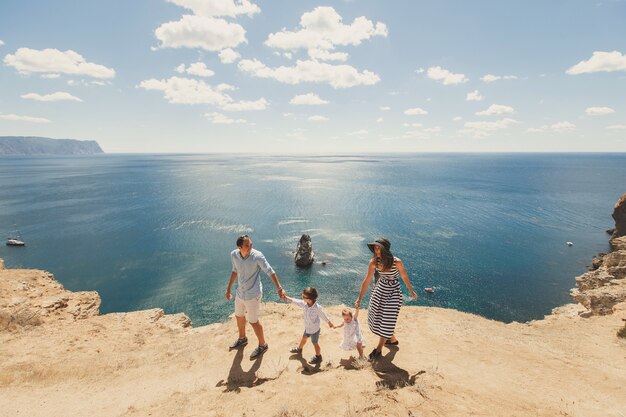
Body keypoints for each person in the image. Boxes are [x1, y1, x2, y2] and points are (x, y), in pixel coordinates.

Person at [355, 238, 417, 360]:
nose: (376, 250)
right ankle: (392, 340)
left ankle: (378, 349)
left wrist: (411, 291)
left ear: (385, 249)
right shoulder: (373, 262)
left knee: (387, 317)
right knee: (378, 317)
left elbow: (404, 276)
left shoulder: (396, 262)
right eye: (375, 247)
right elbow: (367, 280)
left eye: (379, 247)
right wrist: (359, 298)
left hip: (393, 291)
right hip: (380, 289)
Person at [226, 234, 285, 360]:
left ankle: (263, 345)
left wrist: (279, 288)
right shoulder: (234, 255)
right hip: (240, 293)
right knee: (239, 316)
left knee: (253, 321)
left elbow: (270, 271)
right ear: (239, 247)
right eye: (247, 245)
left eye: (251, 244)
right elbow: (234, 271)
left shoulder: (257, 256)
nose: (250, 247)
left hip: (253, 294)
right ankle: (242, 339)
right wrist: (228, 289)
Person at [283, 287, 334, 365]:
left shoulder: (317, 308)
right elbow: (295, 301)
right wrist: (286, 297)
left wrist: (329, 322)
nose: (302, 298)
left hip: (314, 329)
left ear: (310, 299)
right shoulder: (304, 304)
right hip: (307, 327)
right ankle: (299, 349)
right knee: (304, 338)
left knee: (315, 343)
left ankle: (318, 356)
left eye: (303, 297)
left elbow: (323, 315)